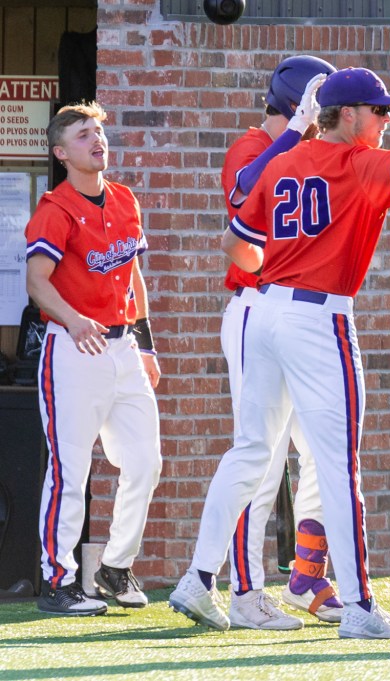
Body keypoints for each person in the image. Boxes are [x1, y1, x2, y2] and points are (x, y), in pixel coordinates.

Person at [170, 65, 390, 638]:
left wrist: (283, 272)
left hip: (262, 310)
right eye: (381, 111)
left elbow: (235, 243)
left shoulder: (284, 160)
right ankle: (359, 608)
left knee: (250, 453)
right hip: (316, 317)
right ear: (350, 115)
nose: (388, 120)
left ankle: (198, 576)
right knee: (337, 466)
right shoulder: (357, 162)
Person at [216, 55, 343, 632]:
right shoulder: (251, 146)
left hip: (298, 318)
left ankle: (306, 573)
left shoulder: (315, 153)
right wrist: (296, 130)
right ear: (298, 109)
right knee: (261, 460)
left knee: (323, 449)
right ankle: (244, 590)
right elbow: (245, 191)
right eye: (318, 112)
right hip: (253, 310)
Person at [25, 102, 162, 615]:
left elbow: (133, 276)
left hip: (124, 348)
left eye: (99, 132)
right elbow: (37, 281)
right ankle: (59, 581)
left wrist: (145, 345)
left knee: (146, 463)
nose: (96, 140)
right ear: (62, 153)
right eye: (84, 135)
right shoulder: (55, 209)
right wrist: (73, 317)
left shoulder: (125, 199)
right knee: (71, 470)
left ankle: (114, 567)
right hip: (73, 349)